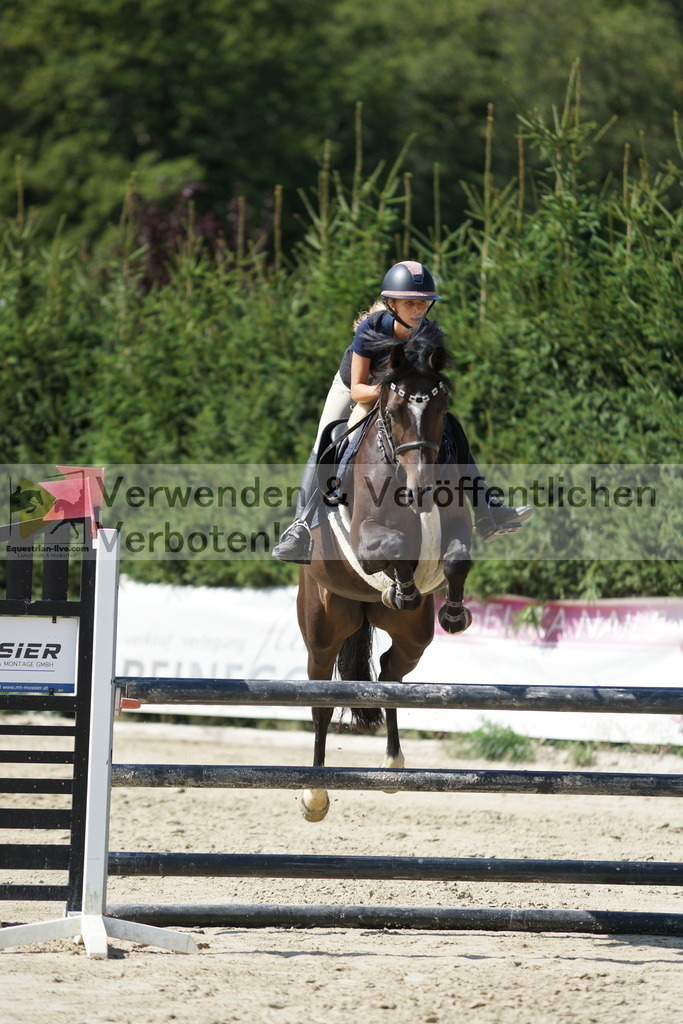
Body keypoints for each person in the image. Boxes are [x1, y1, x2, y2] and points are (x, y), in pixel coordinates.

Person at [272, 260, 533, 563]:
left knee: (451, 429)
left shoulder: (430, 335)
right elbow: (358, 389)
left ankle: (488, 508)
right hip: (359, 387)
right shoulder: (372, 329)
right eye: (409, 302)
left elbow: (429, 382)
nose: (418, 309)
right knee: (326, 440)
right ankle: (300, 527)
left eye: (423, 302)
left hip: (402, 398)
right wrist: (388, 394)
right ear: (391, 303)